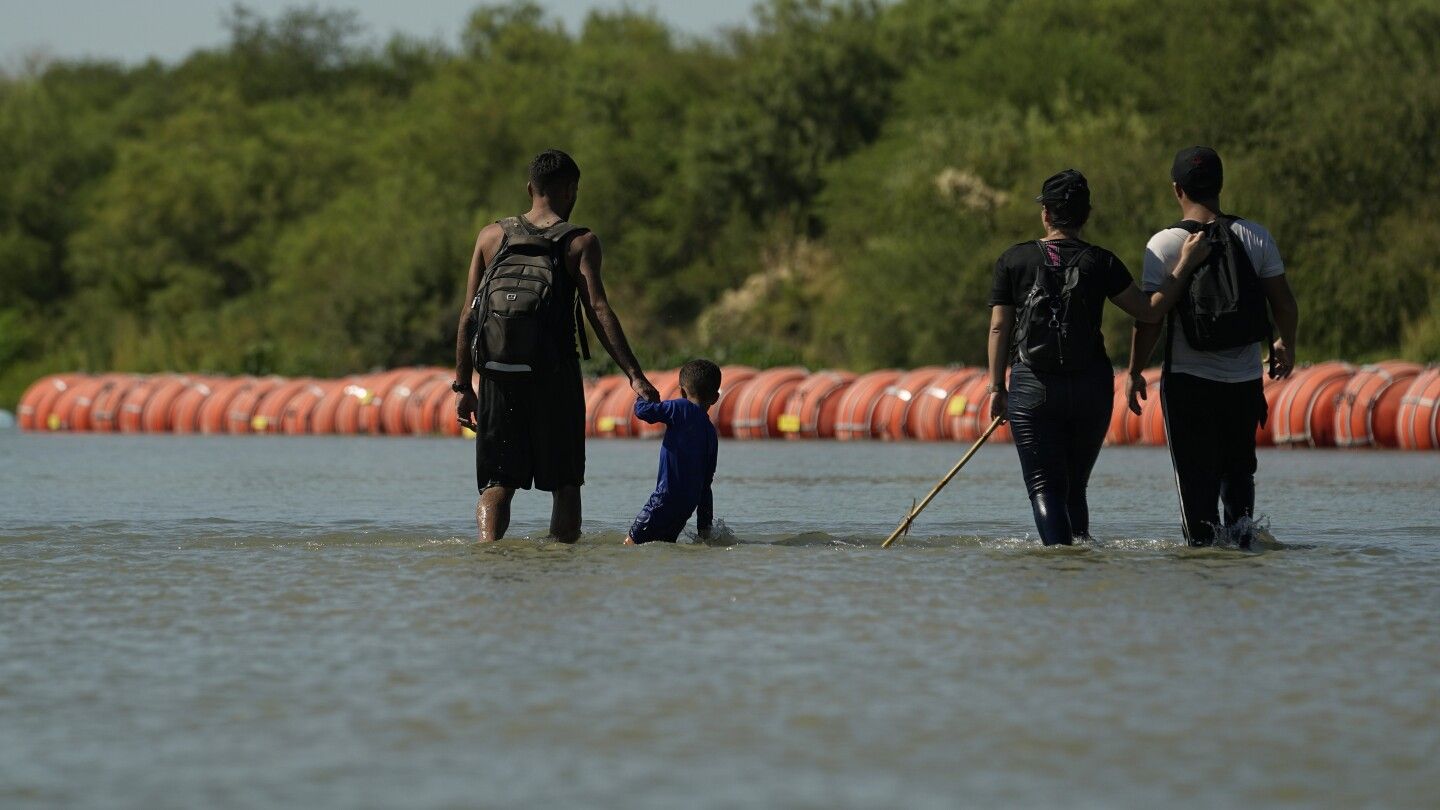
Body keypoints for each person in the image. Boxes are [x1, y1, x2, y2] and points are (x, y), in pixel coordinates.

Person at [988, 169, 1211, 546]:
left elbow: (999, 328)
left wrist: (997, 387)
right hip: (1092, 388)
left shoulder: (1013, 260)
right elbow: (1149, 311)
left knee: (1045, 487)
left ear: (1045, 214)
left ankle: (1059, 561)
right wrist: (1185, 263)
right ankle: (1080, 561)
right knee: (1075, 486)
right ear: (1085, 215)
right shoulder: (1101, 262)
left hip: (1033, 388)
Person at [454, 149, 660, 543]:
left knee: (497, 483)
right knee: (565, 483)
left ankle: (487, 552)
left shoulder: (491, 236)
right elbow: (598, 310)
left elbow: (467, 316)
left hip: (497, 377)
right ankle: (562, 563)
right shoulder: (579, 242)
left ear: (530, 188)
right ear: (571, 190)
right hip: (555, 377)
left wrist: (463, 387)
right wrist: (635, 375)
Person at [1126, 147, 1299, 548]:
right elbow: (1285, 304)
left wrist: (1135, 371)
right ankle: (1242, 552)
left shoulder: (1166, 243)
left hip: (1189, 382)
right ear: (1221, 185)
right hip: (1242, 382)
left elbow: (1150, 318)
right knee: (1239, 477)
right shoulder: (1254, 236)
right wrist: (1284, 344)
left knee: (1195, 483)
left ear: (1177, 189)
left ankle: (1203, 561)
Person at [624, 359, 720, 545]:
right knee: (664, 546)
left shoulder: (680, 408)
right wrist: (704, 530)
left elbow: (644, 412)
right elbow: (706, 485)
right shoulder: (711, 433)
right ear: (715, 398)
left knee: (630, 546)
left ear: (682, 391)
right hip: (687, 506)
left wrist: (642, 395)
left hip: (664, 500)